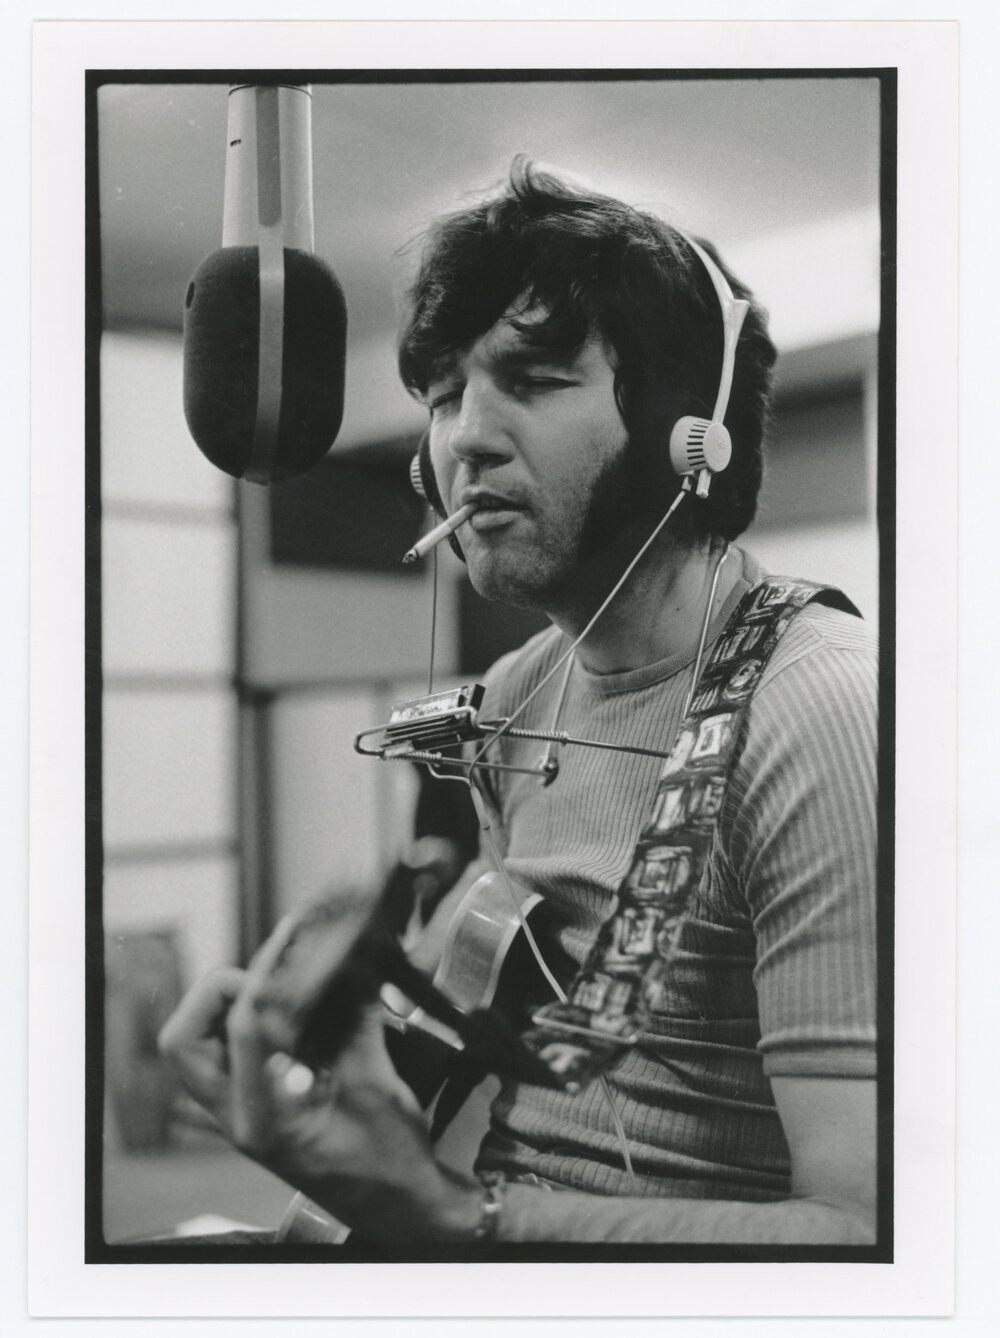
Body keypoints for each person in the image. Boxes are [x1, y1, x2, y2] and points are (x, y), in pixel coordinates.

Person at [159, 159, 878, 1246]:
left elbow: (863, 1233)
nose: (463, 440)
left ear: (688, 429)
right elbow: (505, 1049)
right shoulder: (512, 696)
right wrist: (327, 1097)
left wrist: (454, 1217)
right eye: (444, 395)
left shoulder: (822, 710)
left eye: (533, 380)